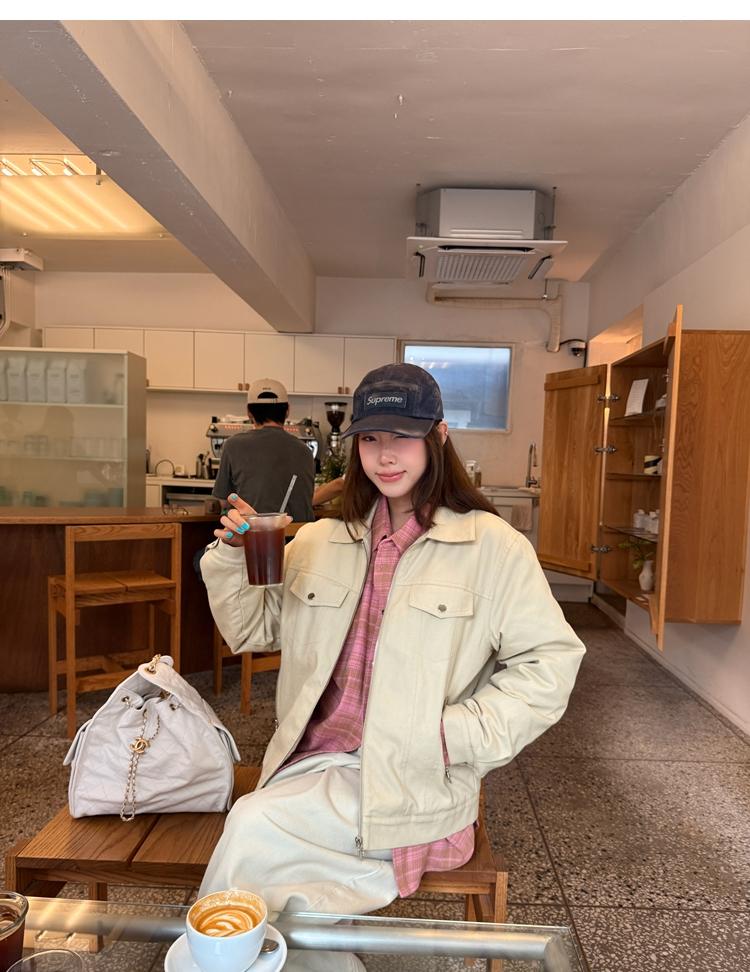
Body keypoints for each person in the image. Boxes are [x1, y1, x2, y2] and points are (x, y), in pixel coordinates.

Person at [199, 362, 585, 923]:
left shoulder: (493, 547)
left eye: (403, 437)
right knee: (262, 858)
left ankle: (219, 949)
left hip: (414, 780)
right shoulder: (321, 540)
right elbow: (253, 631)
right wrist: (233, 558)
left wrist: (448, 735)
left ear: (439, 436)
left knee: (252, 831)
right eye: (370, 439)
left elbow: (550, 664)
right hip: (310, 765)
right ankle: (300, 957)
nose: (385, 456)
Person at [212, 377, 315, 523]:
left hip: (254, 534)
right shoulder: (305, 451)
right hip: (299, 535)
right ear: (287, 411)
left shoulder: (233, 445)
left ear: (249, 412)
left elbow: (223, 501)